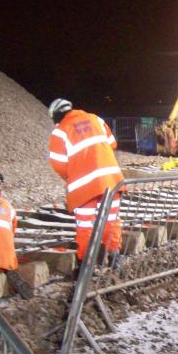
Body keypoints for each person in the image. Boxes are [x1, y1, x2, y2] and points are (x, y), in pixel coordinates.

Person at [48, 98, 124, 262]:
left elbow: (58, 163)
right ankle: (115, 258)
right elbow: (112, 144)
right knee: (111, 220)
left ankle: (85, 264)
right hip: (111, 180)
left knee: (85, 226)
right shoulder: (96, 119)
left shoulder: (60, 131)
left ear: (56, 116)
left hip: (83, 188)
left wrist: (74, 174)